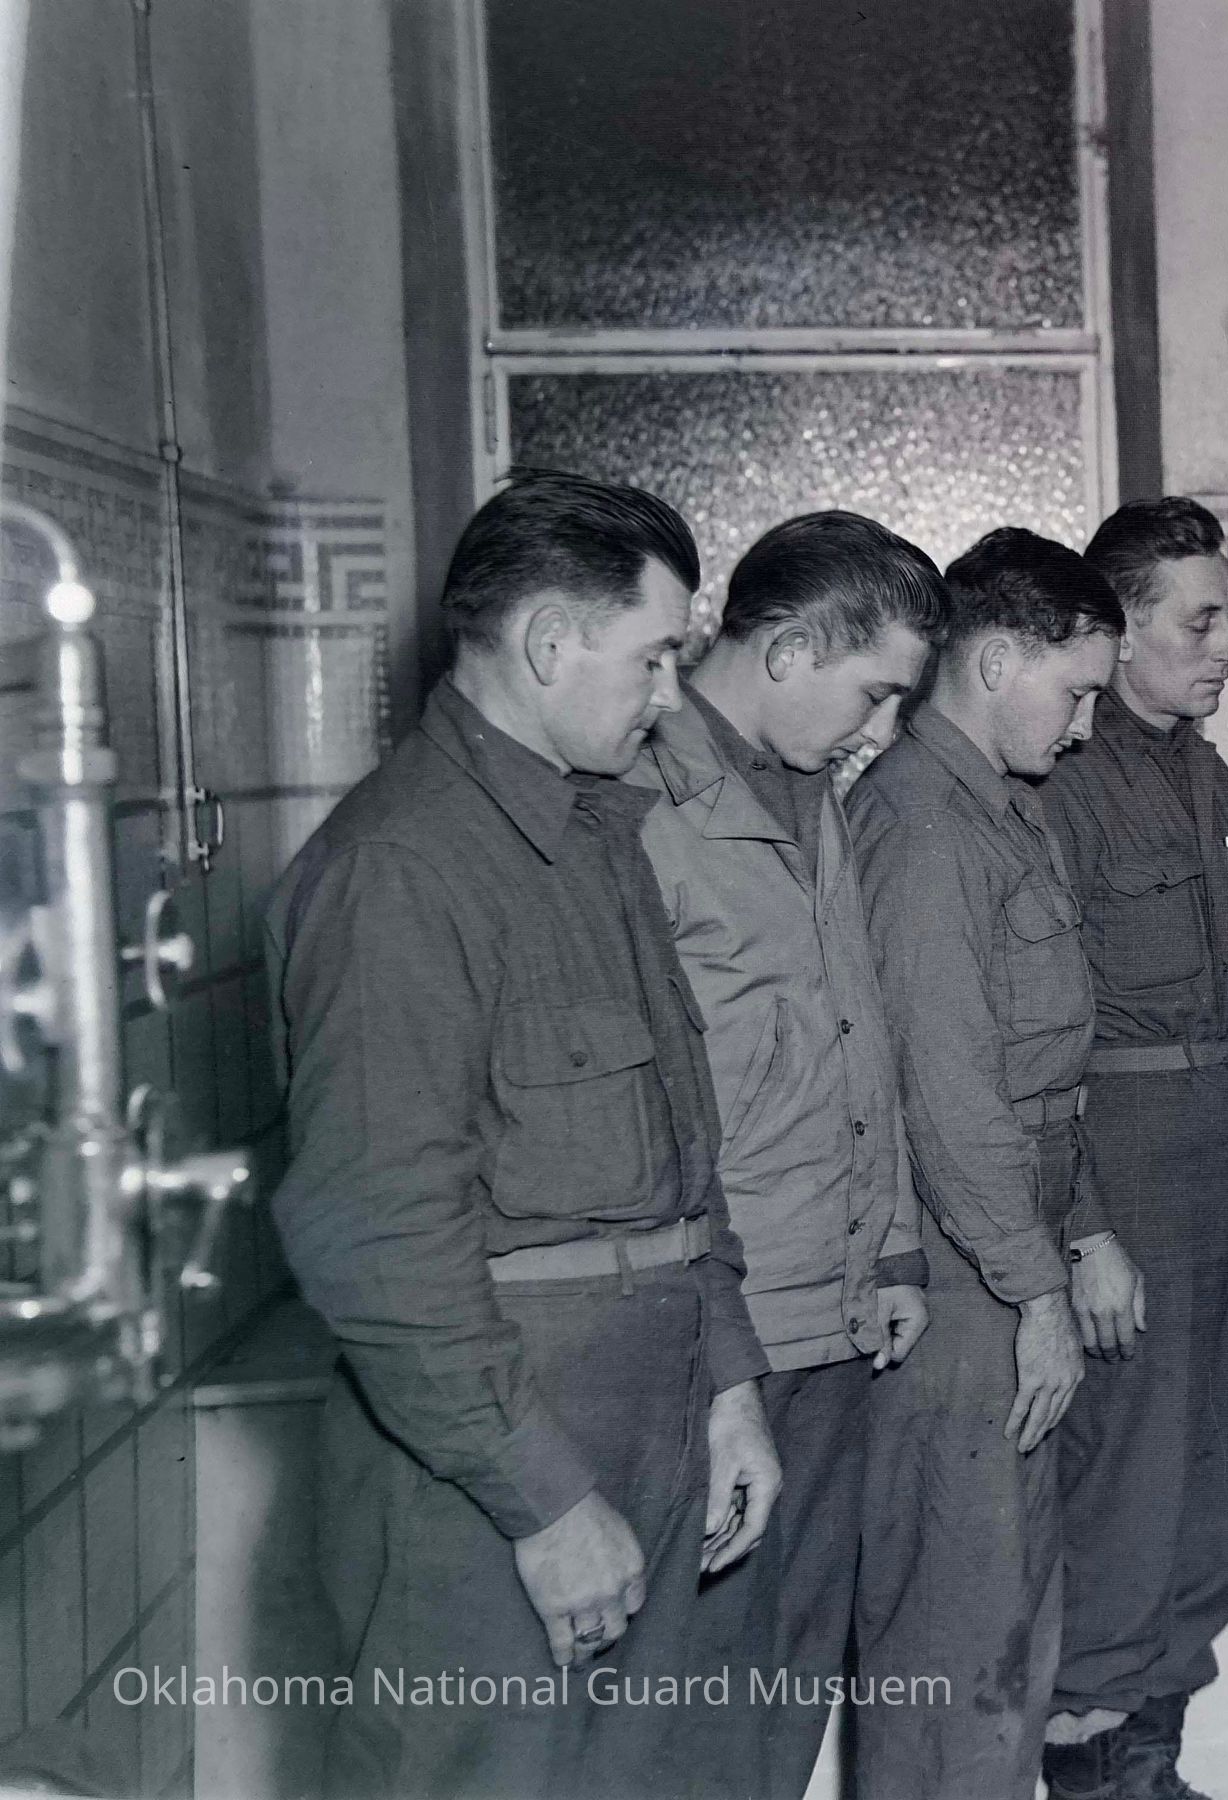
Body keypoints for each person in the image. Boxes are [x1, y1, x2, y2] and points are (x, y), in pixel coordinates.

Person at [267, 471, 781, 1800]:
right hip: (489, 1454)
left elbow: (682, 1158)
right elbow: (378, 1243)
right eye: (654, 657)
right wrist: (543, 1498)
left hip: (648, 1410)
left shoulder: (593, 830)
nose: (671, 695)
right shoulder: (401, 870)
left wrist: (728, 1387)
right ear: (551, 643)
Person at [626, 511, 947, 1794]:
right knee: (696, 1698)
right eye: (876, 692)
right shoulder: (637, 797)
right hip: (723, 1327)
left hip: (834, 1306)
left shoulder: (810, 790)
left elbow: (858, 1031)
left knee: (794, 1666)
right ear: (790, 649)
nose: (885, 727)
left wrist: (898, 1244)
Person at [1036, 499, 1228, 1800]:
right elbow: (1037, 1039)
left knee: (1220, 1484)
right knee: (1127, 1489)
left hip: (1226, 1163)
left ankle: (1153, 1753)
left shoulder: (1206, 772)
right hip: (1129, 1163)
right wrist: (1082, 1221)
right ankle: (1089, 1756)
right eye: (1205, 624)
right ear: (1122, 627)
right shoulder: (1060, 780)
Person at [847, 527, 1126, 1798]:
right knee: (957, 1632)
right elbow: (949, 1095)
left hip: (1002, 1254)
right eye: (1076, 694)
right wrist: (1035, 1289)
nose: (1085, 728)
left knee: (1007, 1615)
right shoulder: (920, 828)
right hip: (964, 1281)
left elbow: (1044, 1073)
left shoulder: (1001, 812)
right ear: (998, 660)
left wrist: (1078, 1232)